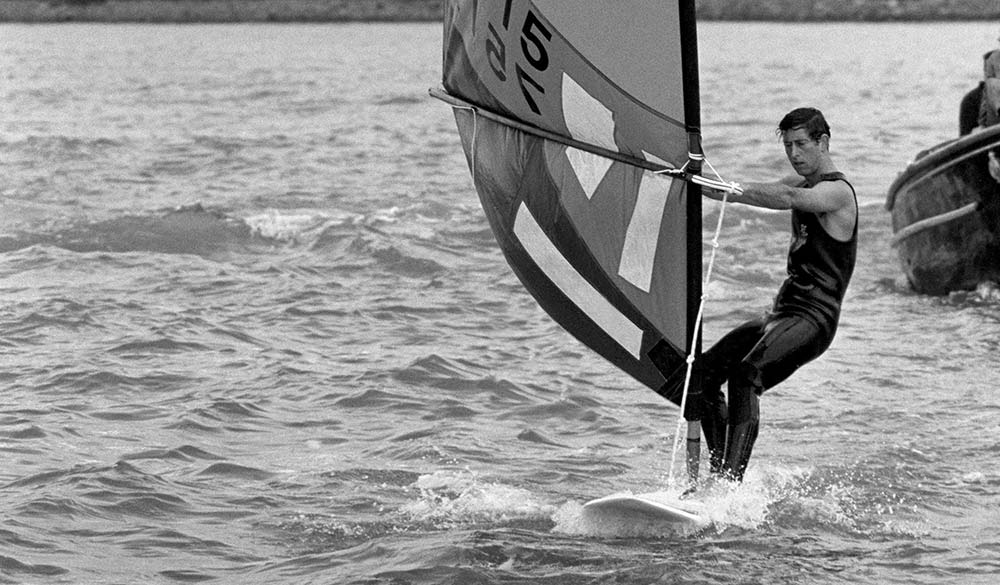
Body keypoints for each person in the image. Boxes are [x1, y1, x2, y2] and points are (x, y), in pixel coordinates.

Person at [694, 107, 858, 483]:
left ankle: (728, 487)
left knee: (746, 375)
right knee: (702, 376)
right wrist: (695, 182)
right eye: (788, 146)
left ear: (824, 142)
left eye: (802, 144)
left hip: (814, 319)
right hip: (782, 314)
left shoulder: (837, 193)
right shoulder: (802, 183)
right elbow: (757, 193)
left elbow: (784, 196)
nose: (795, 154)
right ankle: (720, 477)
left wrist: (732, 189)